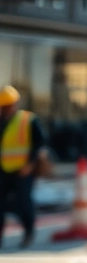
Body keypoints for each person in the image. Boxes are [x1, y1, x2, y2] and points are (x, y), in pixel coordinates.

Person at [0, 86, 46, 249]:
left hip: (23, 170)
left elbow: (39, 143)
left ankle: (28, 232)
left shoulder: (28, 120)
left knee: (23, 203)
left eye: (7, 106)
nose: (4, 110)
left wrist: (30, 164)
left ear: (15, 104)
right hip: (3, 170)